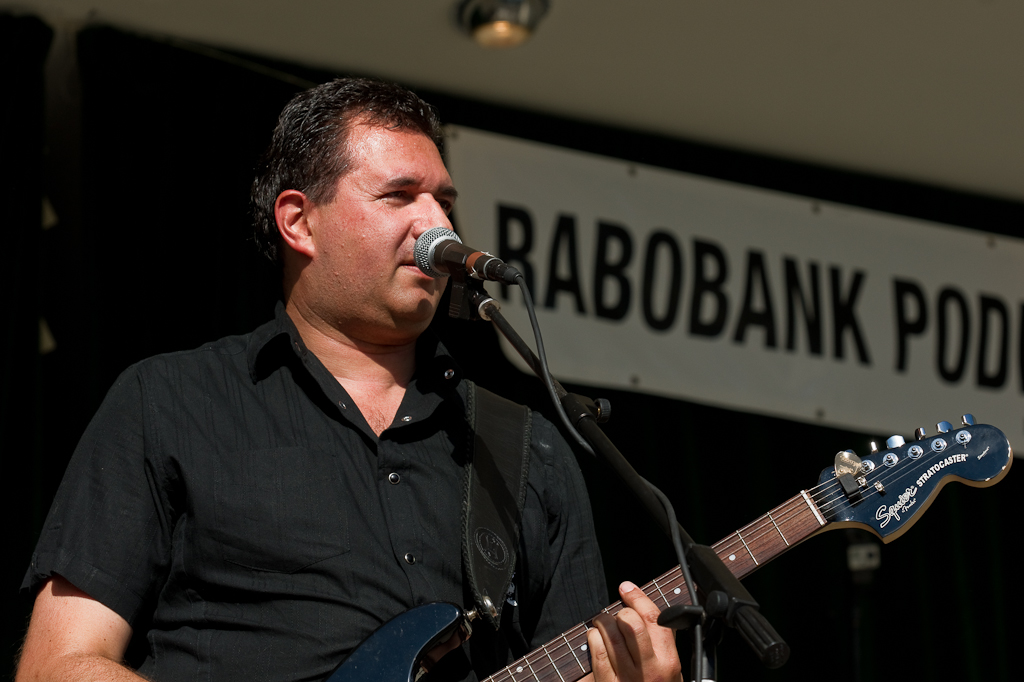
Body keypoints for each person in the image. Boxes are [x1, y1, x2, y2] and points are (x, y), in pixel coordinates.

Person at [16, 78, 682, 682]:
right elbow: (57, 666)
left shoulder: (530, 451)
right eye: (399, 196)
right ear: (299, 222)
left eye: (445, 202)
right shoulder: (169, 401)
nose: (438, 226)